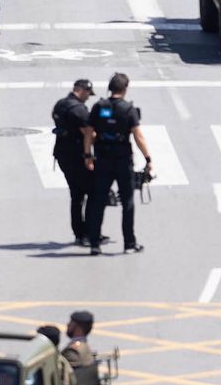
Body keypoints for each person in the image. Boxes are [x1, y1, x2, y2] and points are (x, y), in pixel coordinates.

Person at [83, 72, 151, 255]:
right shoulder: (128, 110)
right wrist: (148, 159)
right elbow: (138, 136)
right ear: (125, 89)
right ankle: (129, 242)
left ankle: (94, 244)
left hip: (103, 159)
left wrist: (87, 155)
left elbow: (89, 132)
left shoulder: (99, 107)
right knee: (127, 202)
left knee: (98, 201)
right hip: (122, 160)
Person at [51, 80, 95, 245]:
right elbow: (88, 133)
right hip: (77, 156)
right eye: (87, 94)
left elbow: (54, 117)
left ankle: (79, 233)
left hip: (62, 155)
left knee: (76, 196)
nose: (88, 98)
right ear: (81, 90)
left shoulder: (60, 104)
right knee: (91, 194)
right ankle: (89, 232)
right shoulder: (78, 110)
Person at [62, 309, 98, 385]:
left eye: (71, 323)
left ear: (78, 327)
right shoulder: (84, 346)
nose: (68, 325)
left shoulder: (72, 351)